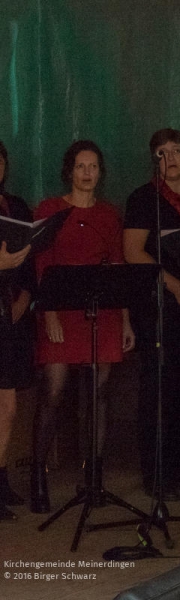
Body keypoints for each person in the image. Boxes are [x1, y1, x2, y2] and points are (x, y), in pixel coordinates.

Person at [30, 140, 135, 514]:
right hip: (60, 310)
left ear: (100, 173)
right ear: (69, 171)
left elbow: (119, 266)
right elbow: (41, 264)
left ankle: (94, 477)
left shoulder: (109, 215)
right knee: (53, 392)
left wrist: (124, 319)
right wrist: (50, 314)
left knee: (99, 395)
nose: (87, 173)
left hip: (101, 312)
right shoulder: (49, 209)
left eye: (93, 167)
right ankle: (38, 477)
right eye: (80, 166)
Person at [124, 128, 180, 501]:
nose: (172, 158)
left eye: (177, 150)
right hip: (160, 304)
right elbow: (132, 252)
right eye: (163, 153)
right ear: (154, 160)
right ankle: (156, 472)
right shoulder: (144, 198)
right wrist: (172, 285)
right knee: (159, 388)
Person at [0, 141, 33, 520]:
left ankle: (1, 475)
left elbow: (31, 258)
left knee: (7, 407)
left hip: (9, 312)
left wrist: (27, 295)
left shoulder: (16, 206)